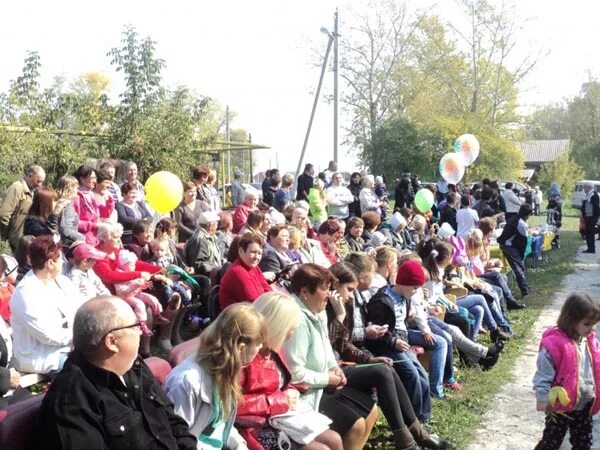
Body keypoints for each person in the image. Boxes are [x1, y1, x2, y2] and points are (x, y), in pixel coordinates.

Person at [35, 296, 197, 450]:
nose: (141, 332)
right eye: (136, 327)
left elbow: (174, 422)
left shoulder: (134, 366)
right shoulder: (71, 403)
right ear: (112, 342)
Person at [327, 262, 449, 450]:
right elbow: (330, 344)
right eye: (349, 289)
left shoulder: (344, 303)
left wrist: (369, 359)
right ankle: (407, 438)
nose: (351, 294)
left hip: (340, 364)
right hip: (332, 369)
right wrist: (340, 316)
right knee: (385, 372)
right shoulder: (332, 308)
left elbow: (344, 344)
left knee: (387, 369)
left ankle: (415, 432)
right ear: (335, 286)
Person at [283, 264, 378, 450]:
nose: (329, 294)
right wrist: (328, 379)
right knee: (356, 425)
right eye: (325, 289)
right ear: (304, 291)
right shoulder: (298, 321)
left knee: (372, 410)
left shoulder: (317, 312)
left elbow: (327, 347)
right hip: (307, 394)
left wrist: (334, 367)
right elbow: (295, 373)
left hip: (323, 384)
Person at [239, 291, 343, 450]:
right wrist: (280, 400)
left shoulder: (274, 348)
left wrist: (291, 391)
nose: (291, 334)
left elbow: (281, 382)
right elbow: (232, 404)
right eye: (290, 329)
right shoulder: (246, 355)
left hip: (279, 415)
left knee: (334, 439)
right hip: (252, 426)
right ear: (276, 325)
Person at [164, 302, 266, 449]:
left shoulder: (224, 371)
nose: (261, 347)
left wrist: (238, 444)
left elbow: (220, 425)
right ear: (240, 347)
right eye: (259, 343)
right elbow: (178, 440)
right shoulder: (186, 382)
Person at [365, 260, 432, 422]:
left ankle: (424, 416)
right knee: (411, 375)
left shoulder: (405, 297)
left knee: (422, 375)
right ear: (404, 283)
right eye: (414, 287)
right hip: (387, 346)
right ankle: (413, 420)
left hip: (402, 340)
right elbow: (378, 329)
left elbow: (401, 321)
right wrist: (393, 341)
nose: (416, 292)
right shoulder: (382, 301)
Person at [533, 292, 600, 450]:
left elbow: (596, 367)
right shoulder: (554, 345)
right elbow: (543, 374)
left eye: (594, 324)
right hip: (559, 407)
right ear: (572, 319)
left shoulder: (589, 341)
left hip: (585, 402)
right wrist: (542, 396)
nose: (591, 329)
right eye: (587, 324)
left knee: (583, 443)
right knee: (551, 442)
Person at [10, 235, 83, 374]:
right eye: (60, 258)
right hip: (42, 356)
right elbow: (47, 335)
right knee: (84, 370)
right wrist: (79, 336)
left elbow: (81, 309)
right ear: (50, 263)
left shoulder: (63, 282)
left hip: (70, 347)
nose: (63, 262)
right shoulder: (25, 293)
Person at [114, 250, 170, 336]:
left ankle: (158, 315)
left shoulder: (133, 273)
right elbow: (122, 291)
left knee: (152, 298)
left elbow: (139, 286)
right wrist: (135, 285)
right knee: (139, 304)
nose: (133, 267)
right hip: (126, 297)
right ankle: (142, 325)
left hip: (136, 293)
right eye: (131, 265)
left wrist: (144, 285)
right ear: (124, 265)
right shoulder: (119, 274)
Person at [219, 233, 272, 310]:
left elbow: (269, 291)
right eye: (253, 252)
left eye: (259, 253)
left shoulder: (254, 268)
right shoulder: (237, 271)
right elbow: (254, 301)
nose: (256, 257)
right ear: (241, 251)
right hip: (237, 319)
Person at [0, 164, 46, 251]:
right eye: (38, 181)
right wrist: (7, 235)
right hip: (14, 241)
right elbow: (4, 214)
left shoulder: (33, 191)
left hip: (25, 241)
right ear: (30, 175)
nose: (40, 185)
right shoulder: (17, 188)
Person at [498, 204, 533, 298]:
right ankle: (525, 291)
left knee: (520, 267)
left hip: (509, 244)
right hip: (508, 246)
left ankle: (526, 288)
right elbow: (523, 242)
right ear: (527, 215)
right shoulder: (521, 224)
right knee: (519, 268)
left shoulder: (514, 218)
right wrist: (521, 254)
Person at [184, 210, 222, 276]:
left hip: (215, 273)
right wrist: (216, 268)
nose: (217, 227)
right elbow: (198, 264)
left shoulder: (211, 236)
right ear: (210, 226)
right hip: (206, 277)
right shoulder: (200, 240)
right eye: (216, 224)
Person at [72, 165, 102, 245]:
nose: (95, 181)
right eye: (92, 178)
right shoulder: (76, 197)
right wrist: (93, 225)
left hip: (95, 238)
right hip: (82, 240)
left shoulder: (92, 195)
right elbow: (74, 222)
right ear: (82, 179)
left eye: (95, 178)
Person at [55, 175, 85, 247]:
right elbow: (66, 230)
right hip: (65, 245)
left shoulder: (57, 202)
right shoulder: (67, 205)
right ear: (70, 189)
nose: (77, 191)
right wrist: (82, 238)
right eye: (76, 188)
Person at [581, 182, 599, 254]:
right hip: (588, 216)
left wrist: (593, 218)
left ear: (588, 187)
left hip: (591, 217)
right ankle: (589, 247)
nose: (583, 189)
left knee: (590, 233)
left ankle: (591, 248)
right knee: (588, 233)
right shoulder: (589, 194)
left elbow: (596, 207)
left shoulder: (593, 195)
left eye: (584, 187)